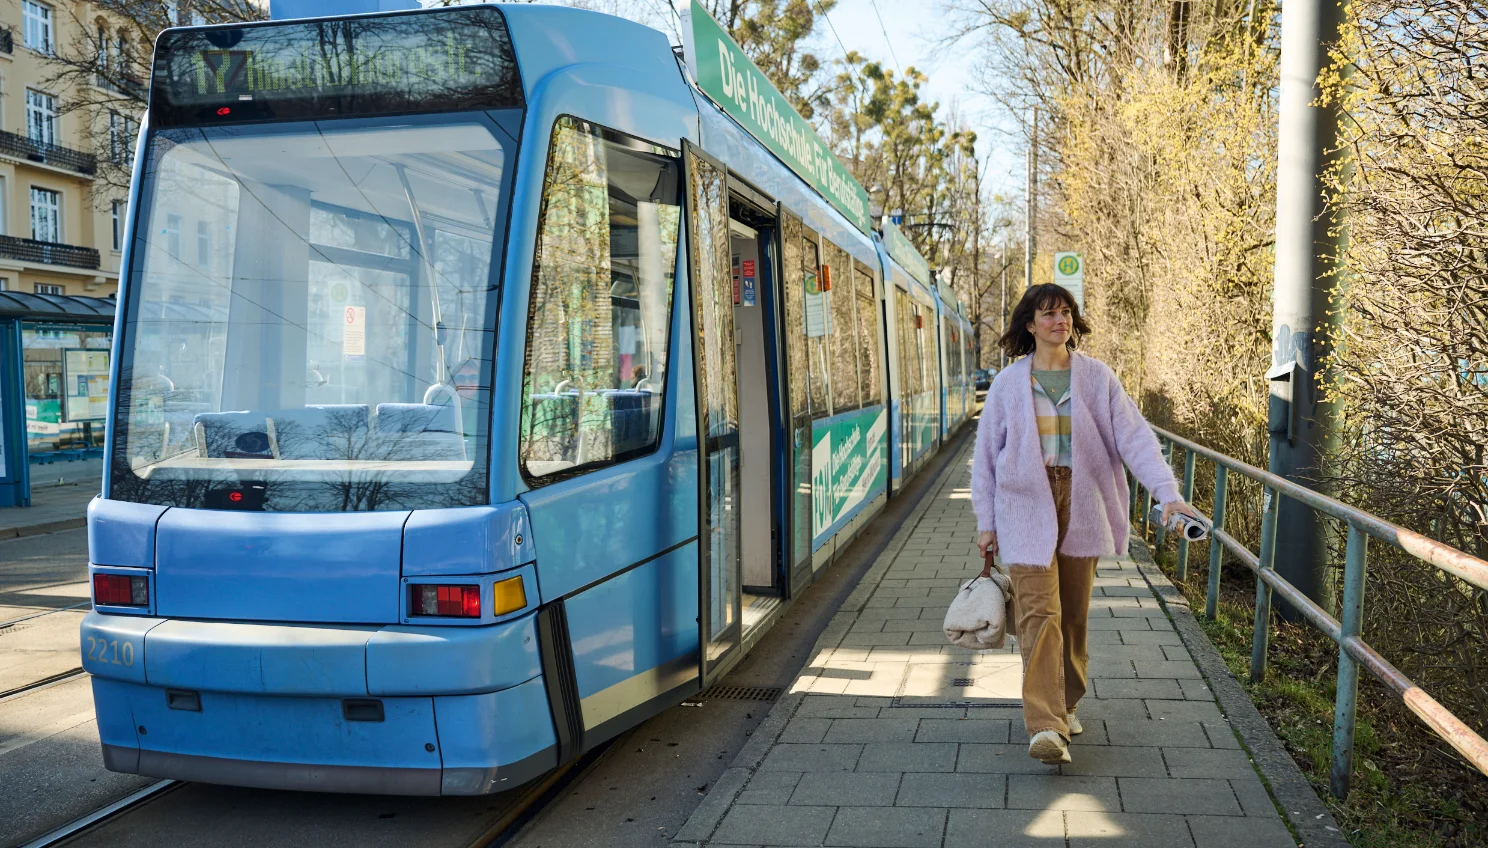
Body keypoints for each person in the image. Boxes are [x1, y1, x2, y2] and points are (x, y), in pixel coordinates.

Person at [971, 283, 1198, 765]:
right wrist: (986, 522)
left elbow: (1136, 441)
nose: (1061, 321)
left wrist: (1170, 497)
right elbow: (986, 459)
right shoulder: (1010, 384)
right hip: (1025, 506)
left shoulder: (1097, 379)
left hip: (1082, 502)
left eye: (1067, 313)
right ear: (1029, 325)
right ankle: (1045, 724)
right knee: (1038, 615)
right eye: (1049, 314)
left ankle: (1067, 700)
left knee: (1072, 616)